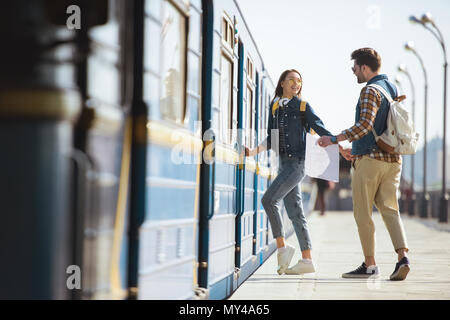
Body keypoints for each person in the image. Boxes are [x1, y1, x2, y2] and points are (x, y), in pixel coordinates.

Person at [317, 48, 410, 281]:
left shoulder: (369, 90)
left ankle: (370, 265)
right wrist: (353, 149)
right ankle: (403, 258)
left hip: (370, 161)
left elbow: (365, 125)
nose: (354, 73)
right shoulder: (392, 88)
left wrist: (335, 139)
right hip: (393, 159)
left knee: (363, 213)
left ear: (364, 68)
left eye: (354, 68)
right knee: (390, 210)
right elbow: (381, 127)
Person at [244, 69, 346, 275]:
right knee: (296, 213)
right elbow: (271, 138)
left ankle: (282, 248)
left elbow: (319, 126)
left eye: (299, 81)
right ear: (282, 82)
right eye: (291, 80)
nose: (296, 83)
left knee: (268, 200)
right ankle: (307, 260)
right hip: (283, 164)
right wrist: (253, 151)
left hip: (298, 164)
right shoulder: (275, 107)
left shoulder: (302, 106)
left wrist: (338, 145)